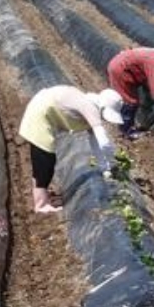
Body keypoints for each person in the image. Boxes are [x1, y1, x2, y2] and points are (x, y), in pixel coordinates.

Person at [18, 86, 125, 214]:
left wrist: (104, 167)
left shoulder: (88, 104)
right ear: (103, 108)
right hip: (39, 117)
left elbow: (95, 142)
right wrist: (111, 163)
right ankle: (41, 205)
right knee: (45, 163)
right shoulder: (89, 107)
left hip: (41, 110)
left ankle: (43, 196)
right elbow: (104, 142)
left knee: (44, 161)